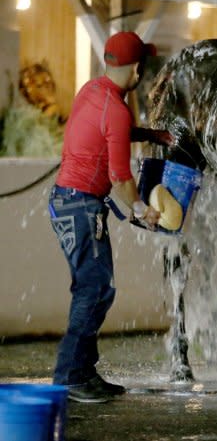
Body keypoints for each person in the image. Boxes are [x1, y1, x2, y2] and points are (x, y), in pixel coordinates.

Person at [48, 31, 168, 403]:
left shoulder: (93, 91)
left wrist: (148, 134)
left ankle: (82, 371)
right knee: (96, 289)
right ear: (135, 68)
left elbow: (110, 132)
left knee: (93, 287)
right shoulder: (117, 108)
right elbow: (119, 177)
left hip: (67, 202)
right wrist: (140, 209)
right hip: (82, 205)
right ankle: (70, 376)